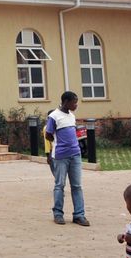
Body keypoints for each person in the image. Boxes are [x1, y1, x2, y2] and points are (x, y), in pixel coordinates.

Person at [45, 91, 89, 226]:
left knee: (77, 186)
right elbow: (48, 134)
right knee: (60, 185)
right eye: (74, 102)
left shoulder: (71, 116)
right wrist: (58, 143)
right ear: (66, 102)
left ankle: (79, 215)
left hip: (75, 154)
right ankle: (58, 214)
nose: (76, 105)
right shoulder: (54, 116)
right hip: (60, 156)